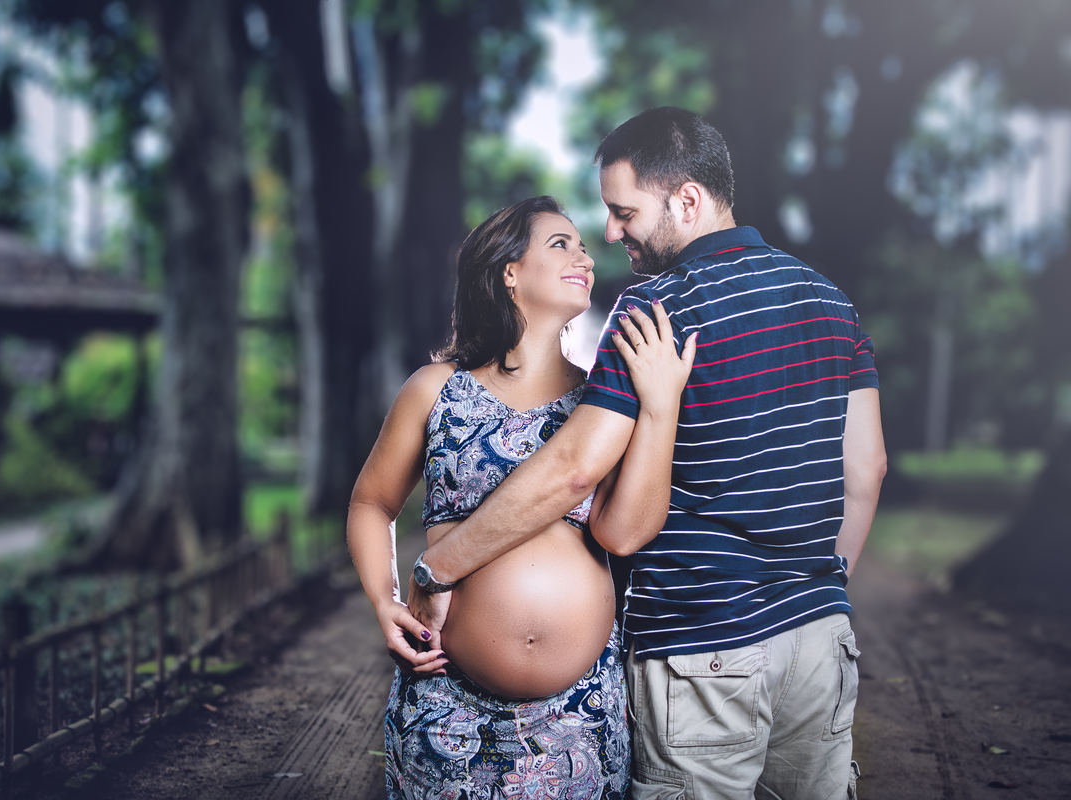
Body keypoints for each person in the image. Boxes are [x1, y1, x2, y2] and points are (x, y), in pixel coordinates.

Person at [408, 107, 887, 800]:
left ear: (687, 200)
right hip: (821, 640)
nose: (611, 233)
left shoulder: (658, 310)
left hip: (702, 646)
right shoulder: (831, 302)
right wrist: (822, 586)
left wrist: (438, 567)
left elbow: (576, 467)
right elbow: (865, 471)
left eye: (623, 211)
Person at [346, 195, 696, 800]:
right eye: (561, 244)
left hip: (580, 720)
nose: (585, 257)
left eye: (584, 247)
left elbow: (629, 530)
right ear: (509, 272)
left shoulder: (602, 408)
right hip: (446, 710)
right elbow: (371, 505)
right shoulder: (435, 389)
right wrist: (386, 600)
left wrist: (660, 407)